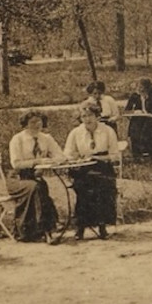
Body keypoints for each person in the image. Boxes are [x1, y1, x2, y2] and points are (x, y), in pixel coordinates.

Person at [63, 103, 121, 240]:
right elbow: (68, 153)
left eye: (90, 116)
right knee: (83, 188)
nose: (87, 119)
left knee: (100, 186)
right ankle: (81, 226)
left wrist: (97, 157)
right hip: (82, 168)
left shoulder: (107, 131)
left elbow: (115, 155)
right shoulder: (76, 133)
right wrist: (76, 158)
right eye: (84, 116)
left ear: (97, 116)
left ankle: (102, 225)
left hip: (103, 167)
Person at [7, 111, 64, 243]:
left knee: (40, 186)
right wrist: (36, 162)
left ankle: (41, 230)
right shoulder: (18, 139)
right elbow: (16, 163)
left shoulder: (46, 138)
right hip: (18, 178)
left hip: (36, 177)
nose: (37, 125)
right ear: (25, 124)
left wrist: (51, 161)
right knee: (37, 187)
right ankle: (46, 230)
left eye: (39, 121)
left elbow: (60, 156)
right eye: (32, 122)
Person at [124, 78, 152, 160]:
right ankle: (137, 154)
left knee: (151, 128)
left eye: (142, 87)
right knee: (135, 128)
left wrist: (146, 99)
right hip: (138, 119)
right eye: (138, 87)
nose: (140, 89)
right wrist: (135, 112)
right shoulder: (134, 96)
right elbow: (127, 110)